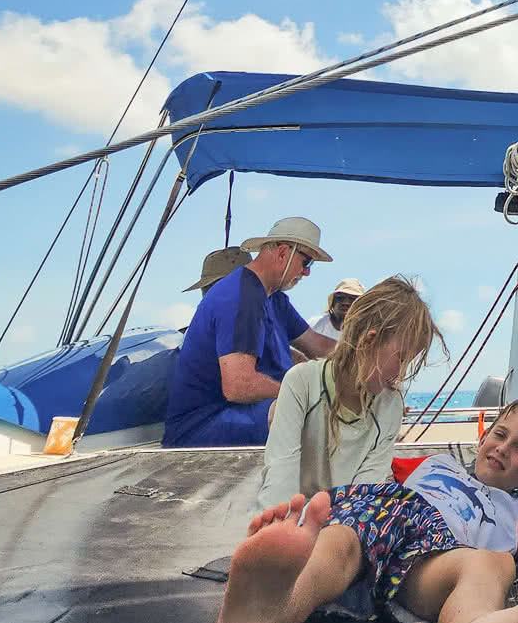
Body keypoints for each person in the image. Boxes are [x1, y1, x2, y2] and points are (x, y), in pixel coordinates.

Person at [200, 395, 518, 623]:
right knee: (335, 546)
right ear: (484, 435)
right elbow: (370, 470)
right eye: (500, 435)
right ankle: (257, 621)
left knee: (493, 564)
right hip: (378, 520)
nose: (503, 448)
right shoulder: (435, 465)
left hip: (430, 560)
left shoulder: (515, 520)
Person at [259, 277, 443, 508]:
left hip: (347, 524)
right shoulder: (302, 382)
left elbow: (367, 491)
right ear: (369, 340)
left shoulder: (390, 405)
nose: (401, 373)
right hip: (292, 518)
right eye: (401, 358)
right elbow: (279, 479)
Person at [164, 218, 336, 448]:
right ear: (284, 252)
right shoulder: (240, 296)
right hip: (203, 427)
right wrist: (306, 393)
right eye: (306, 262)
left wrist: (366, 358)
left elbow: (318, 345)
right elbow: (239, 385)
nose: (306, 272)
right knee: (307, 410)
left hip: (246, 413)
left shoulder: (273, 298)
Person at [306, 276, 366, 345]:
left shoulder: (365, 331)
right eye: (340, 298)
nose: (345, 303)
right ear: (332, 302)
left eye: (352, 299)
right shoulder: (315, 323)